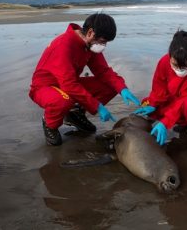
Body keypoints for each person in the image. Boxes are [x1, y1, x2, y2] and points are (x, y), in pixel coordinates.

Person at [29, 13, 140, 146]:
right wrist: (97, 106)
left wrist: (123, 89)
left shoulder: (89, 45)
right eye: (103, 41)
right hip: (44, 87)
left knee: (111, 85)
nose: (103, 45)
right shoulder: (64, 45)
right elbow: (69, 85)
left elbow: (103, 71)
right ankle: (49, 124)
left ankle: (75, 114)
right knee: (62, 101)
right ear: (91, 32)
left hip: (68, 83)